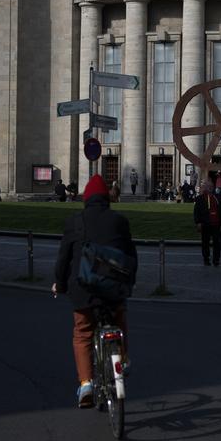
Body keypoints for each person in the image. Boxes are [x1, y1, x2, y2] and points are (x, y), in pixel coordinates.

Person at [52, 174, 137, 408]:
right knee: (120, 319)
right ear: (107, 198)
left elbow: (63, 260)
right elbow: (131, 255)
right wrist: (130, 282)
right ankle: (124, 359)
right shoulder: (119, 220)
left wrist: (59, 283)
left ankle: (86, 383)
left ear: (86, 199)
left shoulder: (74, 222)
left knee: (82, 332)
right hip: (113, 287)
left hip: (83, 287)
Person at [193, 180, 221, 266]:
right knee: (205, 243)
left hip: (216, 224)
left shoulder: (217, 198)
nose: (209, 188)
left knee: (217, 243)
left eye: (210, 186)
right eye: (207, 186)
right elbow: (196, 212)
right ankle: (206, 259)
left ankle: (216, 260)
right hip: (205, 224)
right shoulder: (200, 199)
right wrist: (198, 222)